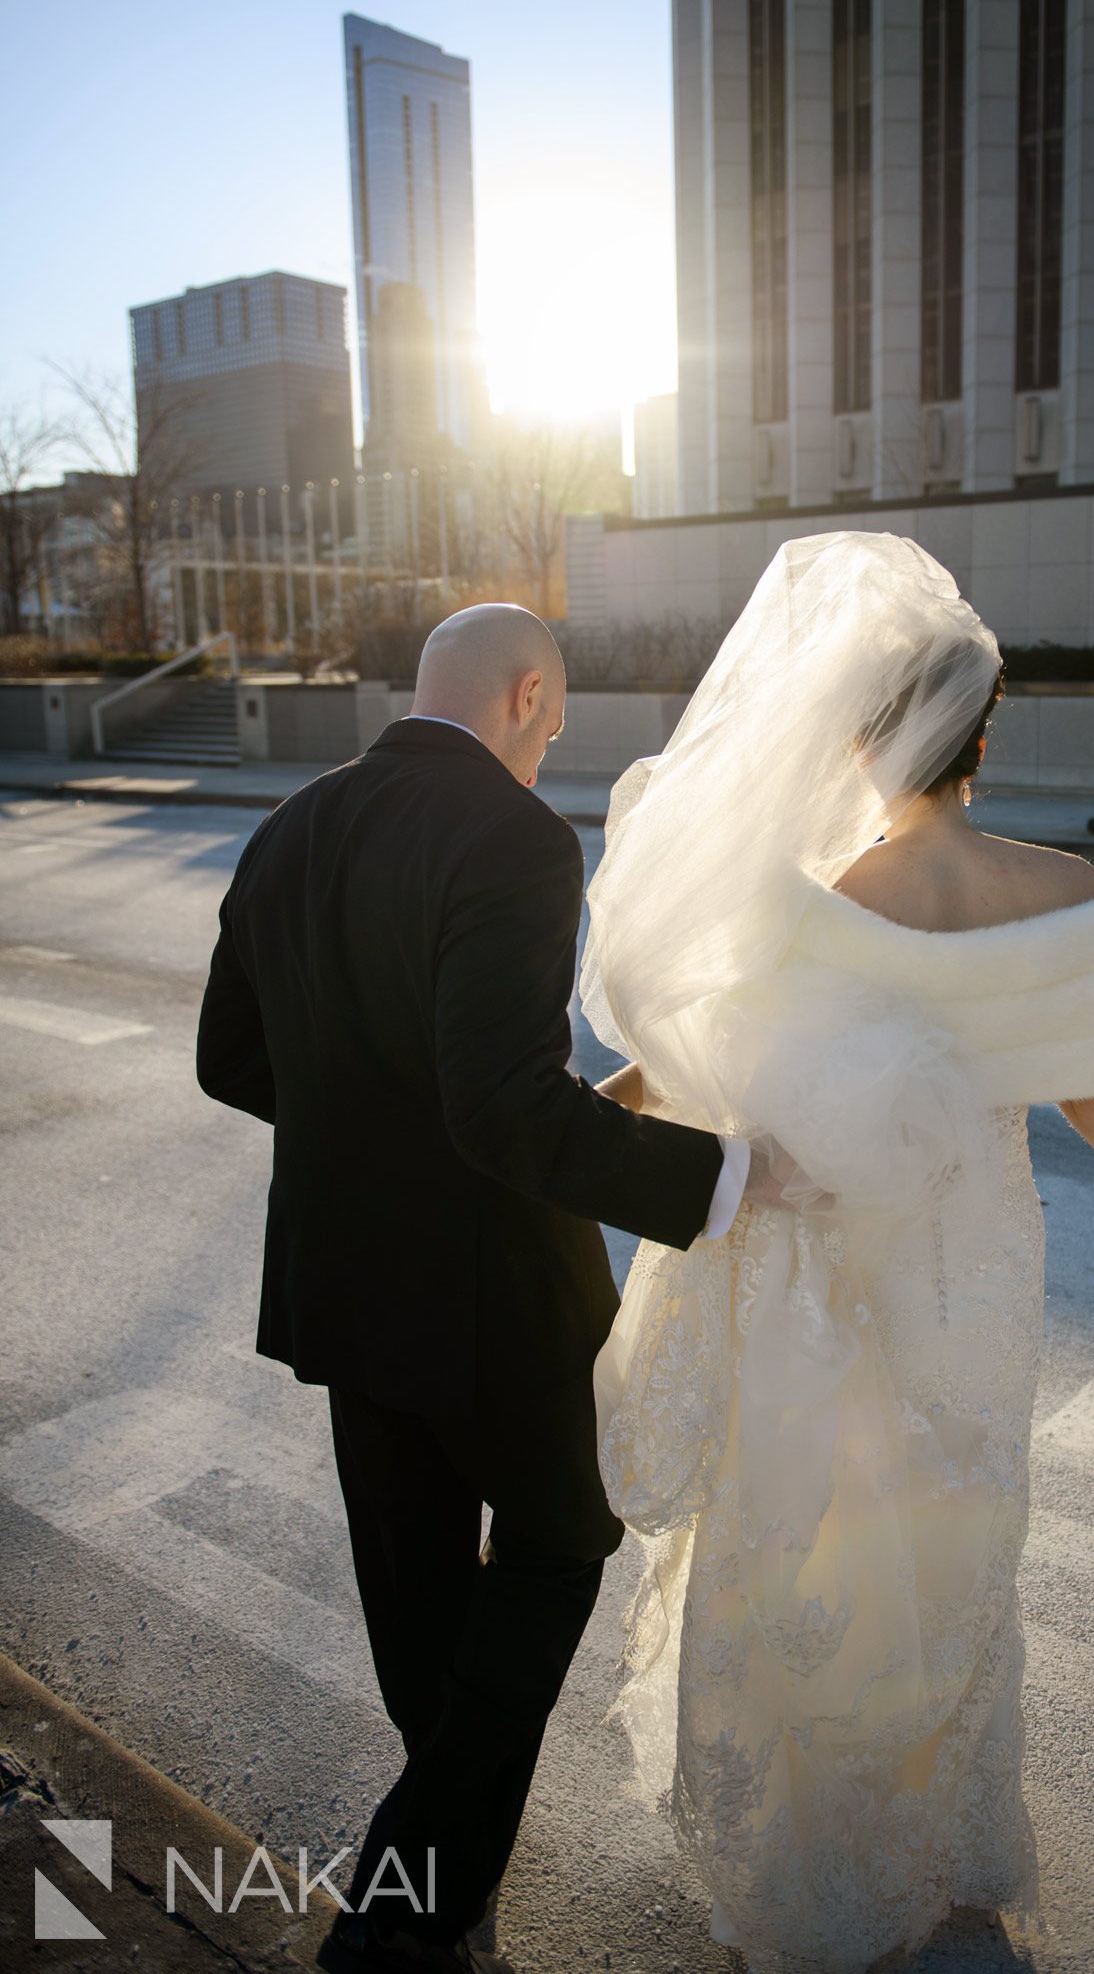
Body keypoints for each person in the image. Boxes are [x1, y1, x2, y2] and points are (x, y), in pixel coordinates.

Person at [584, 532, 1094, 1974]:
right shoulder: (1073, 893)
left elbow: (700, 1075)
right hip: (980, 1261)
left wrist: (573, 1121)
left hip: (839, 1274)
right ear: (982, 735)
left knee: (828, 1547)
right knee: (962, 1533)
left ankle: (822, 1856)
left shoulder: (828, 904)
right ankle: (949, 1835)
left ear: (861, 733)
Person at [195, 604, 763, 1974]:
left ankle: (445, 1882)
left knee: (416, 1585)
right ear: (523, 694)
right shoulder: (512, 840)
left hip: (344, 1290)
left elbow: (231, 1061)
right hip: (495, 1304)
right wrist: (726, 1180)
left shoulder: (292, 828)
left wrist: (392, 1135)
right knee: (565, 1541)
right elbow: (501, 1112)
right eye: (554, 717)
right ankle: (413, 1904)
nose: (551, 743)